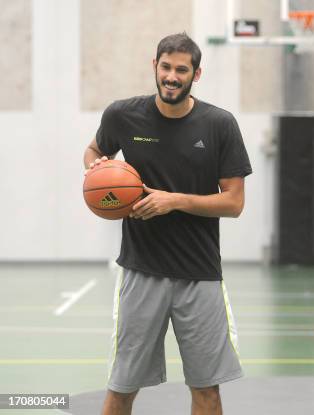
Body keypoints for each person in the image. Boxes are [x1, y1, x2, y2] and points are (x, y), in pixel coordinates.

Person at [83, 33, 252, 415]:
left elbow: (234, 202)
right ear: (154, 66)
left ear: (196, 74)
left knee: (206, 389)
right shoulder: (122, 115)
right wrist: (98, 171)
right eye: (165, 67)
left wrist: (173, 201)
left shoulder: (219, 124)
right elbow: (95, 150)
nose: (172, 76)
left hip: (201, 274)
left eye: (181, 69)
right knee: (122, 386)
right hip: (141, 271)